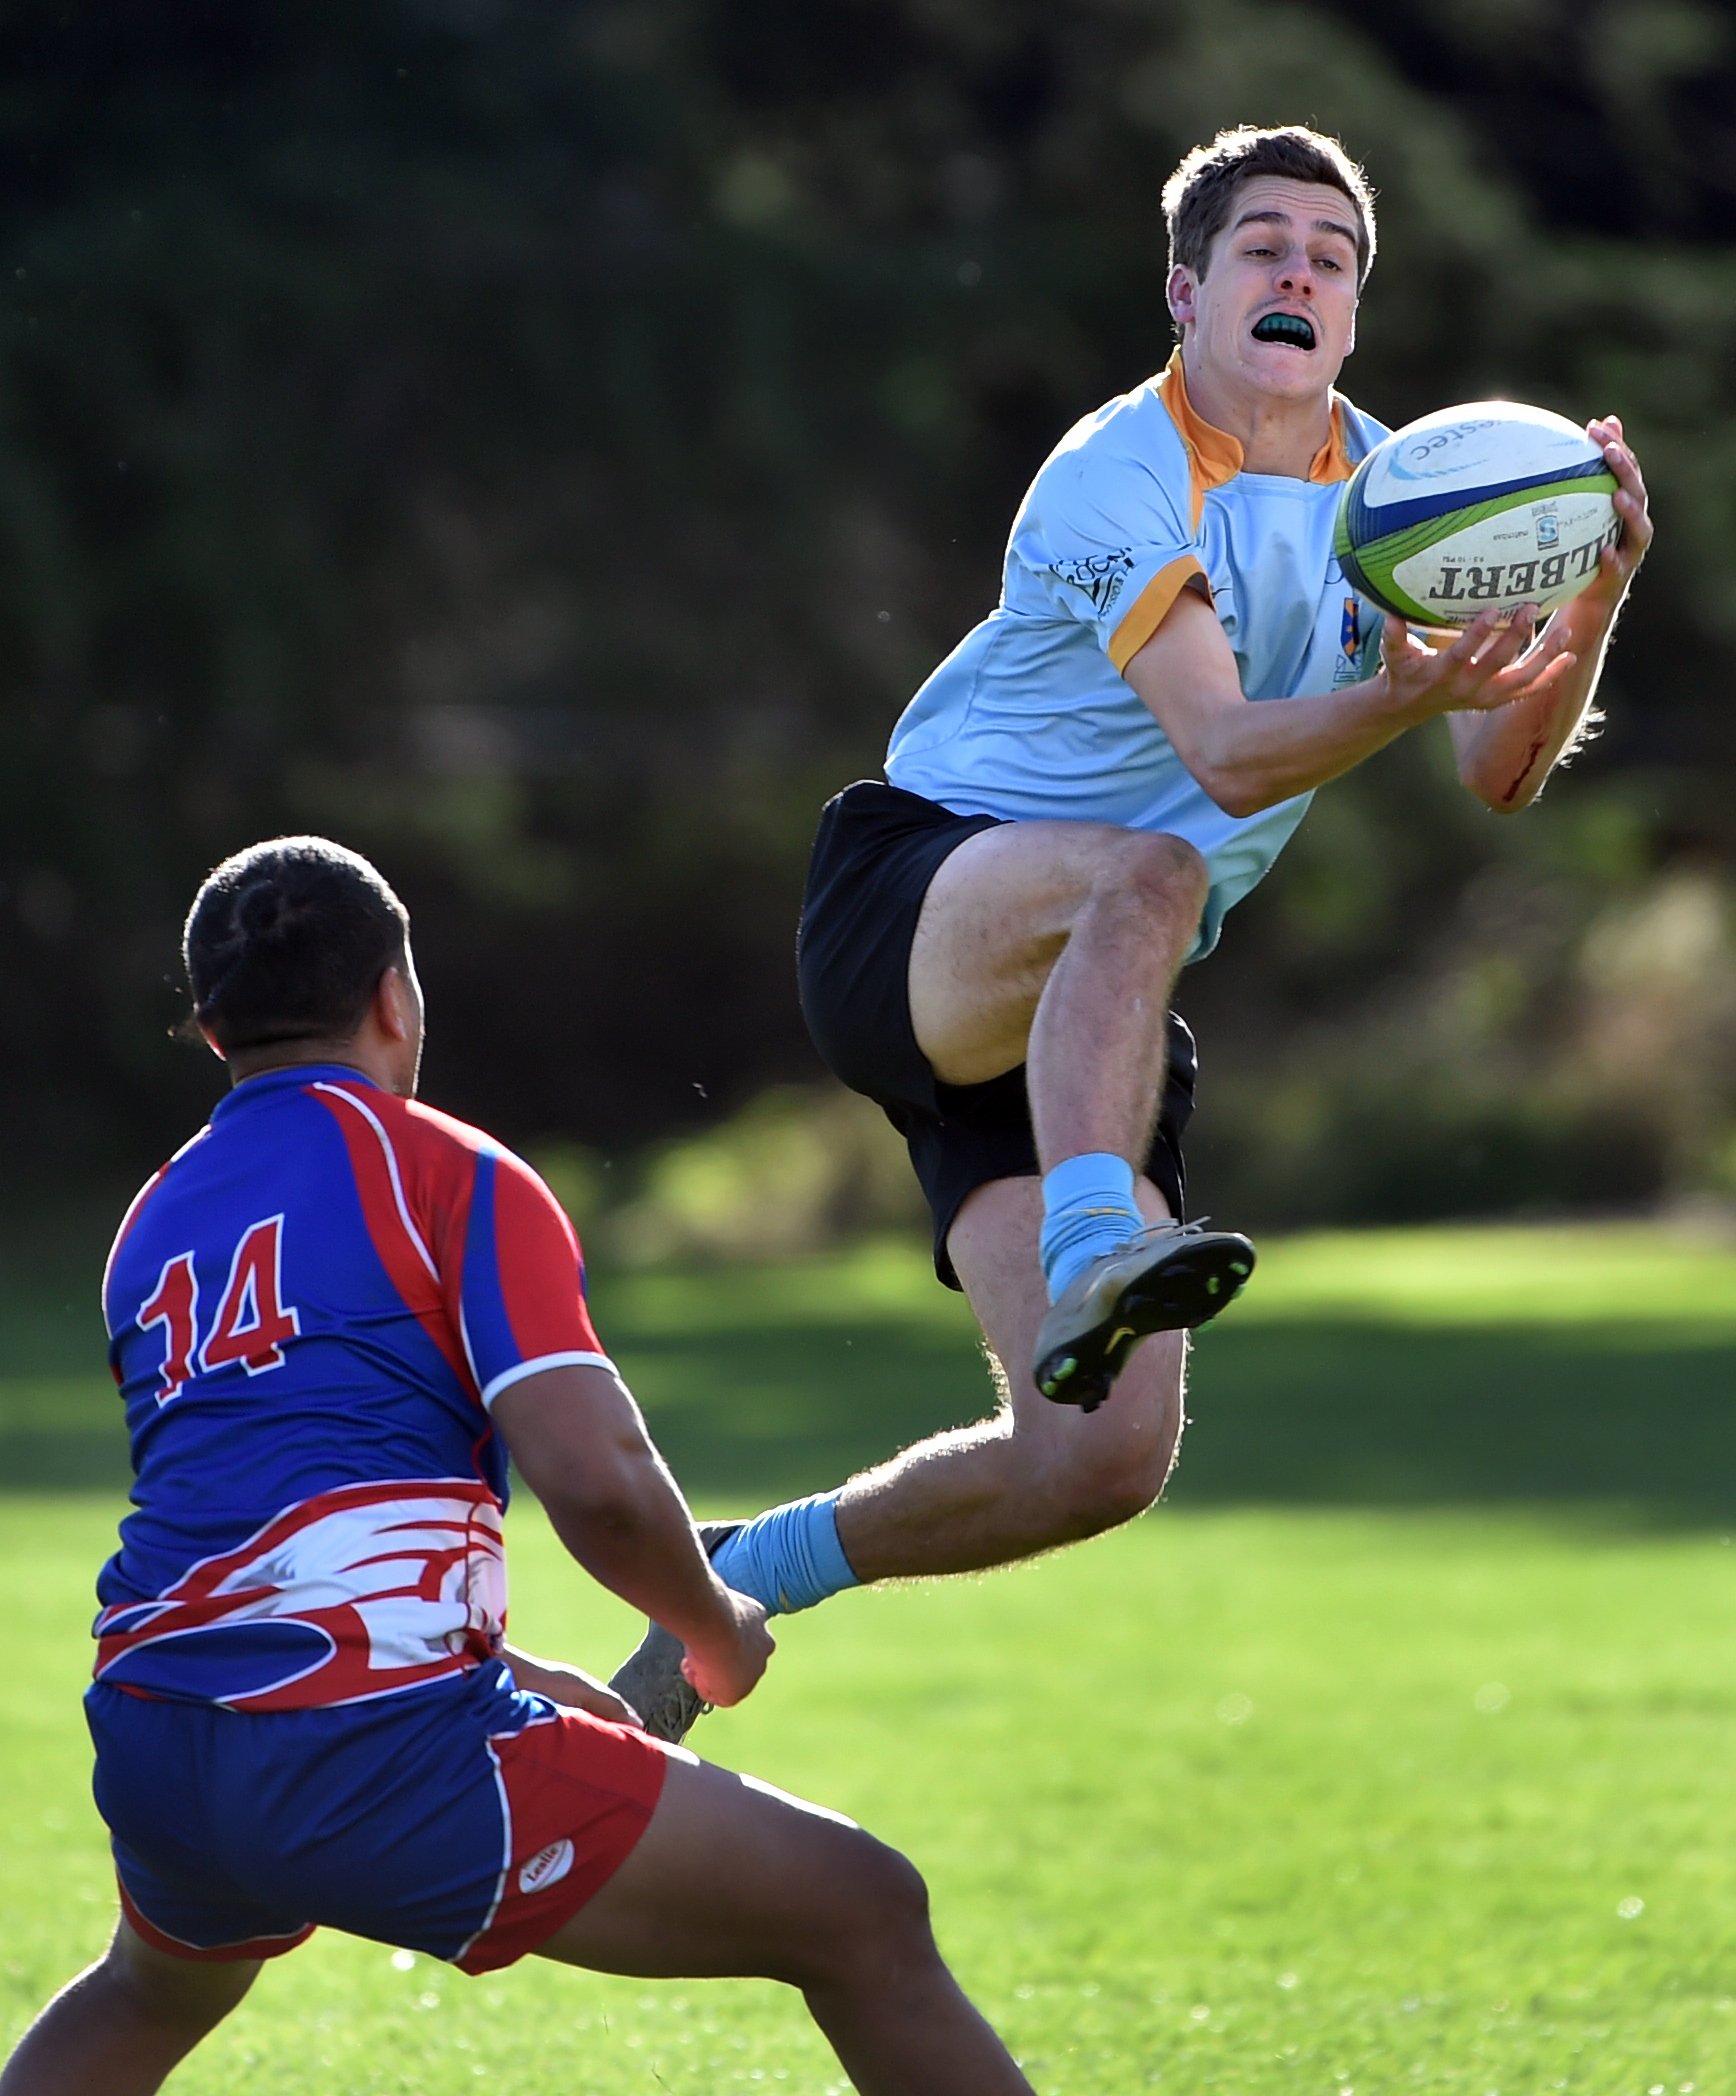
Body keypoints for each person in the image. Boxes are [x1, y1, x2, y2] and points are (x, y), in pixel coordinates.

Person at [611, 122, 1652, 1740]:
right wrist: (1396, 687)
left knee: (1094, 1462)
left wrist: (1585, 601)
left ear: (1356, 316)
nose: (1299, 268)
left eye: (1332, 253)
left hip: (1091, 998)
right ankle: (1108, 1241)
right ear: (1187, 291)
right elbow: (1223, 752)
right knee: (1151, 872)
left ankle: (753, 1571)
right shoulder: (1120, 467)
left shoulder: (1401, 500)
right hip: (921, 898)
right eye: (1262, 246)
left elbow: (1499, 771)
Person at [0, 837, 1038, 2096]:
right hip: (364, 1743)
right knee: (863, 1908)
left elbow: (262, 1519)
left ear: (211, 1029)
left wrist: (505, 1664)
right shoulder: (449, 1170)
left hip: (157, 1732)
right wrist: (709, 1627)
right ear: (396, 996)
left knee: (147, 1989)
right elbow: (593, 1478)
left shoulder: (152, 1223)